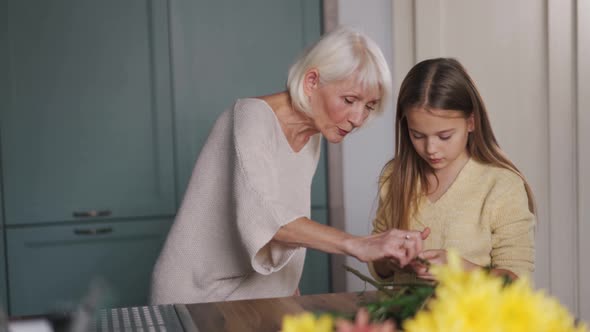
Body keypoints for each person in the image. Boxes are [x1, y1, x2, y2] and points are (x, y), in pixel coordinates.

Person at [151, 27, 428, 305]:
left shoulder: (312, 137)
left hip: (252, 297)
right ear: (311, 82)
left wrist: (285, 285)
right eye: (349, 100)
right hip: (197, 298)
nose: (358, 118)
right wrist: (358, 244)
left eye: (369, 106)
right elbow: (266, 218)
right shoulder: (252, 118)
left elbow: (288, 223)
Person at [368, 58, 536, 283]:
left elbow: (517, 284)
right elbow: (379, 268)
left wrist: (460, 268)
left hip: (474, 318)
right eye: (417, 135)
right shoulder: (395, 176)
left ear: (471, 122)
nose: (431, 149)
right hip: (406, 317)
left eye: (444, 136)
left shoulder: (502, 186)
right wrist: (390, 257)